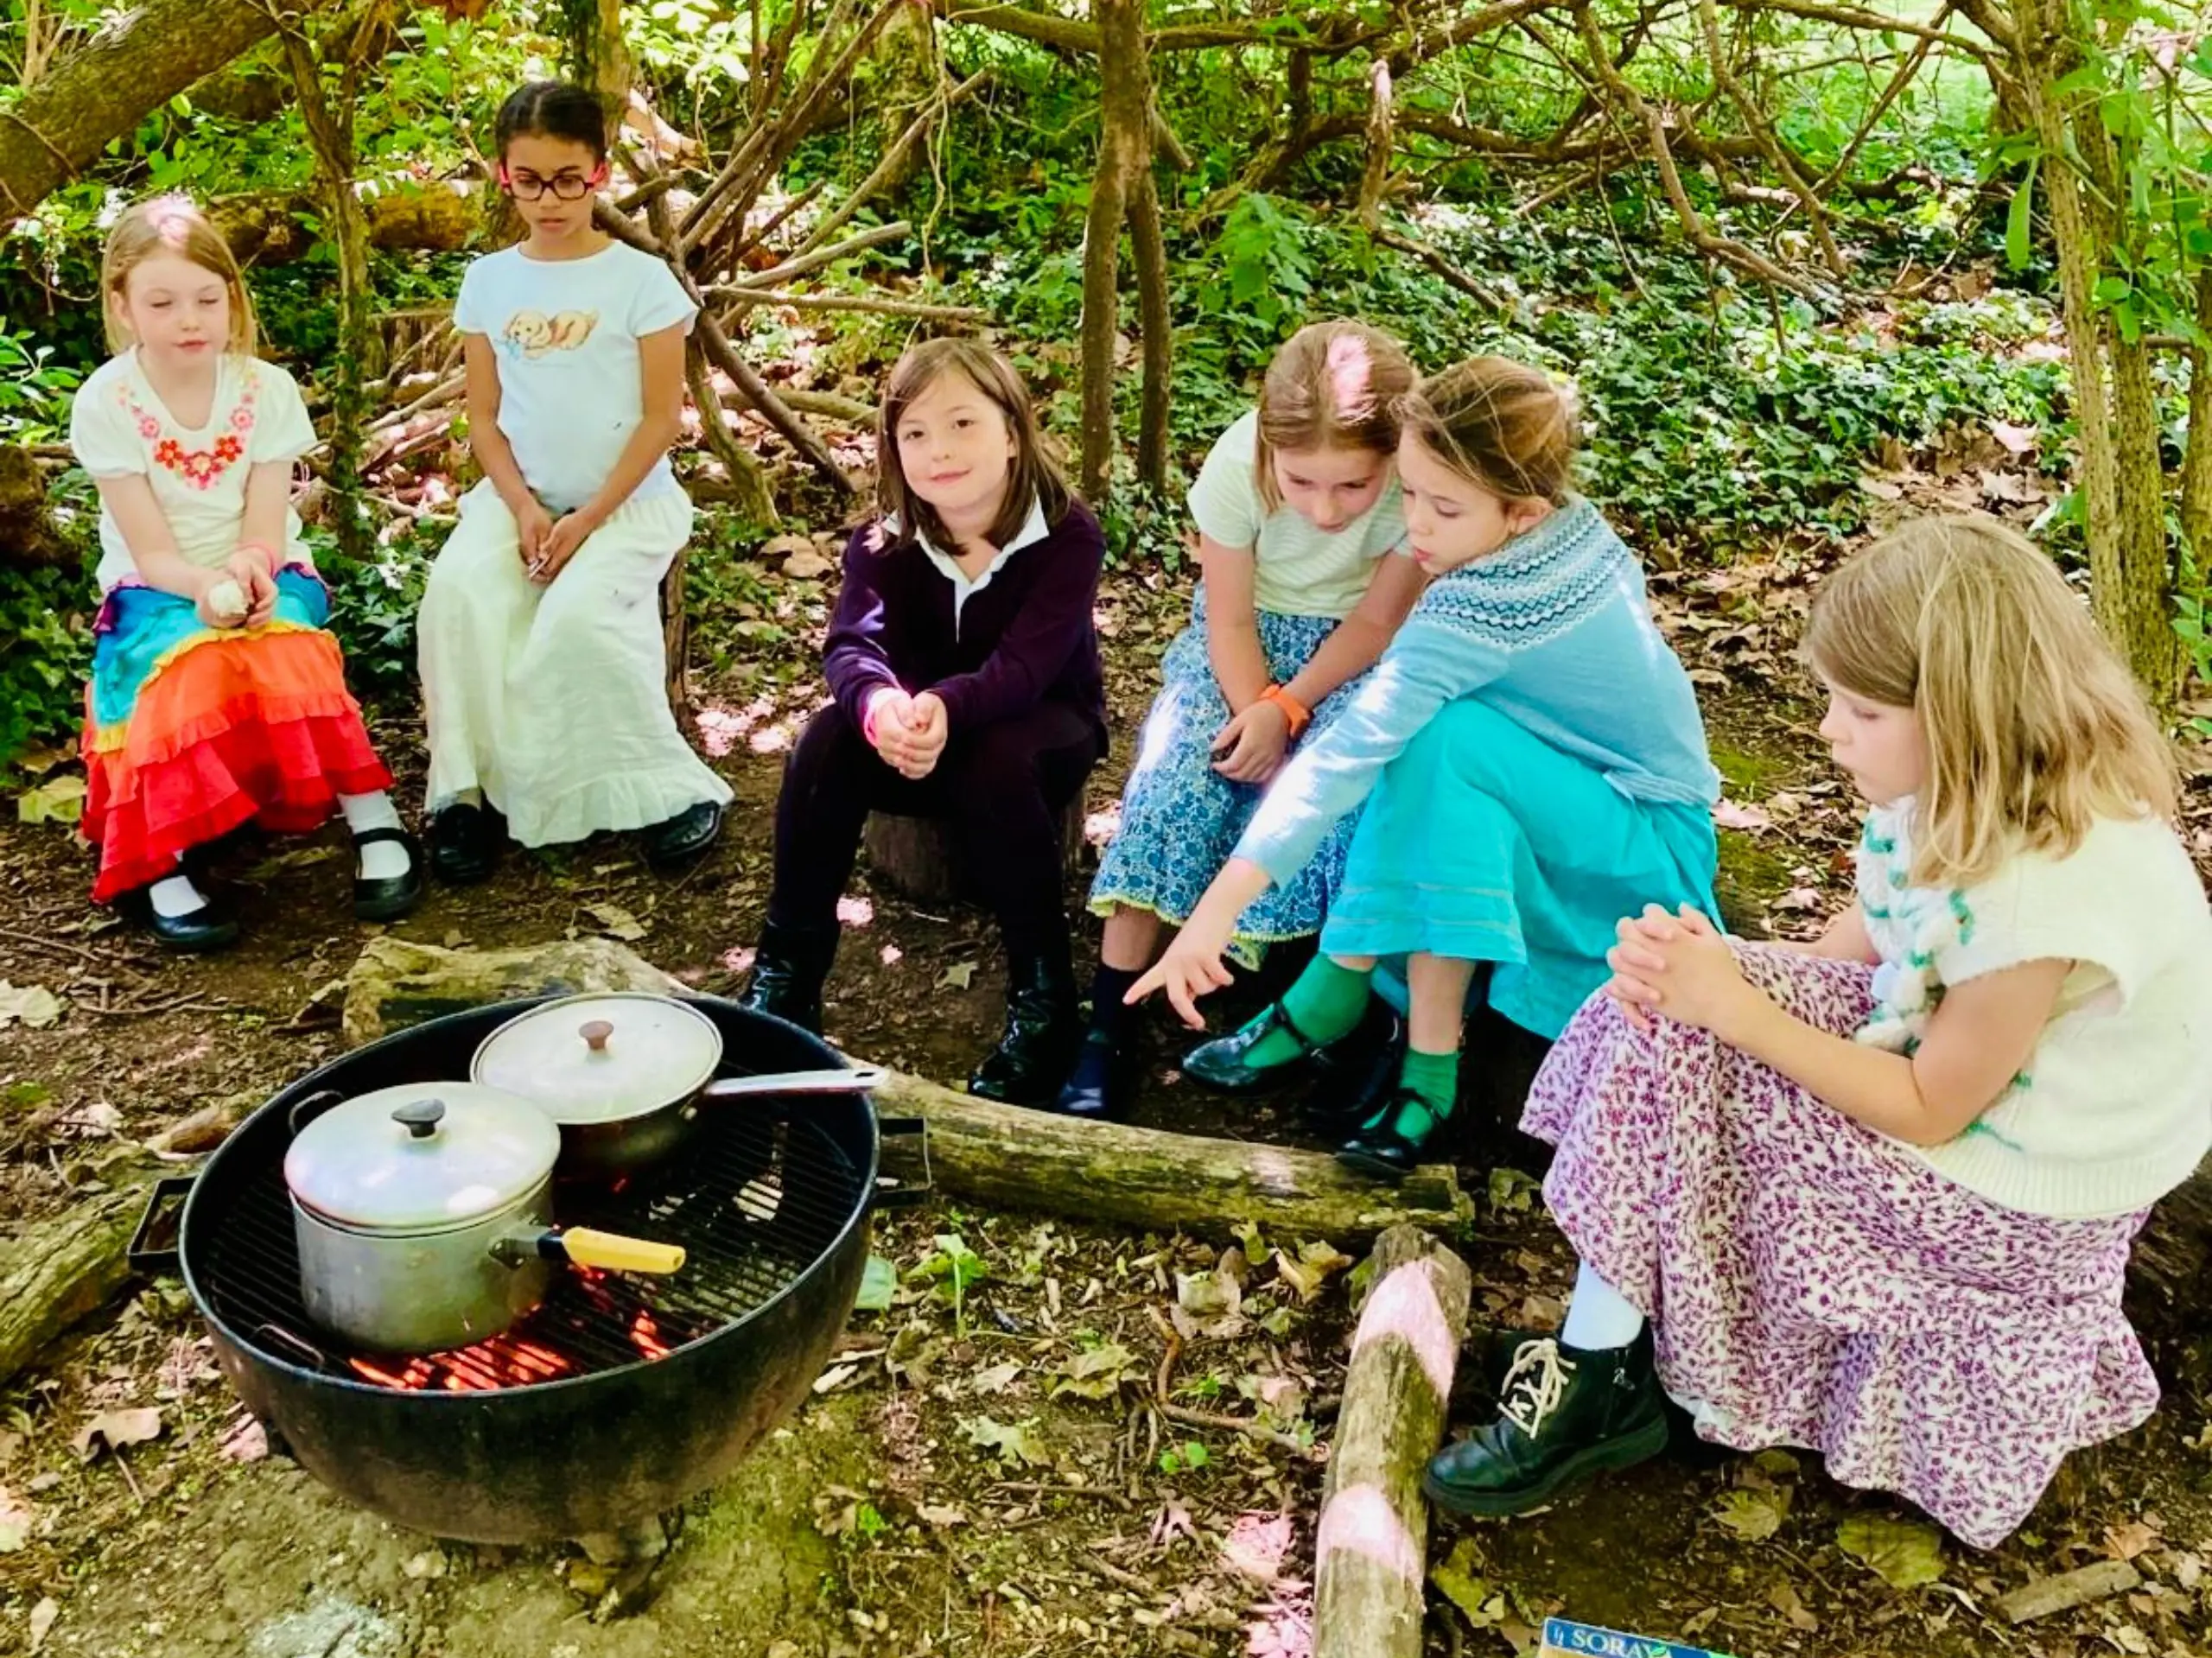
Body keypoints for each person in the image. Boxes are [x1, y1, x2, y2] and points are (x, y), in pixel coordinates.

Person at [1425, 514, 2212, 1549]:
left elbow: (1933, 1108)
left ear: (1964, 713)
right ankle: (1603, 1352)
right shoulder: (1964, 783)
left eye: (1861, 709)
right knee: (1668, 1017)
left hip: (2021, 1192)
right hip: (1976, 1104)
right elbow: (1871, 935)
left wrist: (1739, 1007)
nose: (1830, 733)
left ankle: (1600, 1373)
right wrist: (1723, 975)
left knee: (1691, 1036)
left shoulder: (2039, 888)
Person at [1132, 356, 1719, 1177]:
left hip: (1644, 850)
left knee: (1435, 735)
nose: (1417, 529)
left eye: (1444, 507)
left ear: (1523, 511)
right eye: (1408, 493)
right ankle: (1424, 1060)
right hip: (1554, 802)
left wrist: (1217, 908)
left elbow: (1346, 752)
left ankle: (1346, 996)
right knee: (1444, 743)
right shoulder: (1571, 525)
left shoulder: (1477, 609)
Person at [1064, 320, 1424, 1121]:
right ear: (1269, 451)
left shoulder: (1415, 481)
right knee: (1174, 778)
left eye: (1351, 487)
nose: (1325, 510)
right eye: (1302, 484)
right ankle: (1109, 1017)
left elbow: (1376, 625)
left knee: (1335, 801)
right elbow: (1226, 618)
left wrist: (1292, 709)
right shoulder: (1238, 464)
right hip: (1243, 640)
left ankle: (1331, 1011)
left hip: (1351, 652)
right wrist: (1259, 704)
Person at [737, 339, 1107, 1106]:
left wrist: (945, 705)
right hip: (915, 738)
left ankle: (1045, 1002)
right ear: (892, 448)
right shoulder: (883, 542)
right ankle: (786, 975)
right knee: (823, 739)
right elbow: (851, 643)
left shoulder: (1067, 535)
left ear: (1012, 430)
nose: (940, 451)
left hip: (1042, 734)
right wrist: (877, 706)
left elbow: (1026, 669)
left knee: (995, 751)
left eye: (964, 424)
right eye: (916, 434)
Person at [68, 195, 418, 950]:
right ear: (123, 307)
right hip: (156, 586)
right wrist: (206, 590)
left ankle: (374, 817)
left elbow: (267, 519)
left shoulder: (266, 388)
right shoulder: (106, 402)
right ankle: (163, 859)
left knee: (289, 648)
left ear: (232, 299)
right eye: (161, 302)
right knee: (180, 671)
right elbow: (151, 549)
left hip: (265, 566)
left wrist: (254, 570)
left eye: (207, 298)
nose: (188, 319)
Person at [416, 79, 731, 882]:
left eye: (567, 178)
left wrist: (586, 518)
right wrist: (522, 506)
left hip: (625, 504)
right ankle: (465, 795)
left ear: (598, 173)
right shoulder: (490, 282)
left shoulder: (640, 282)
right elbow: (483, 417)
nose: (548, 198)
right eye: (529, 179)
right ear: (503, 176)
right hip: (518, 498)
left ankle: (663, 791)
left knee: (581, 626)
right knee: (457, 597)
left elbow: (663, 419)